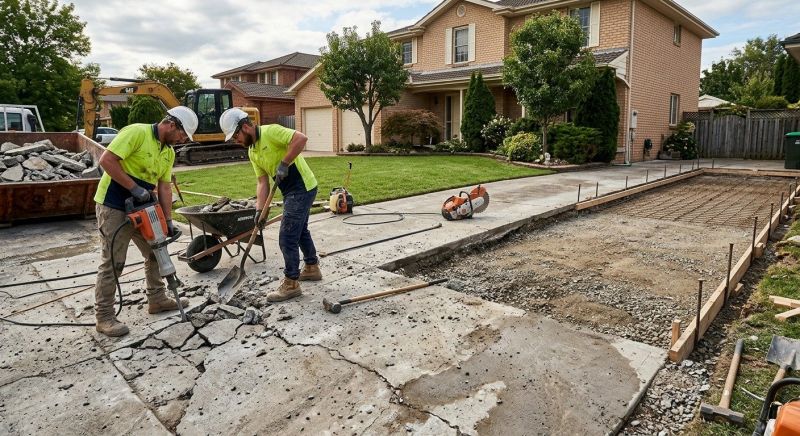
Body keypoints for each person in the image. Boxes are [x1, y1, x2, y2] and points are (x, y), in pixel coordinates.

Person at [92, 107, 198, 337]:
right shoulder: (136, 132)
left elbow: (164, 186)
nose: (182, 140)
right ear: (171, 124)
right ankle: (104, 317)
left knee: (156, 252)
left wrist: (167, 219)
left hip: (143, 207)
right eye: (182, 135)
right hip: (114, 206)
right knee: (113, 262)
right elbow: (107, 160)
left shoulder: (168, 152)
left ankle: (157, 298)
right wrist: (134, 187)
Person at [220, 107, 322, 302]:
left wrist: (284, 163)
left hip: (303, 187)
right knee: (300, 231)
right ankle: (311, 267)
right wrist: (260, 210)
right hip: (290, 190)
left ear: (246, 126)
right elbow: (262, 183)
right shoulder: (252, 151)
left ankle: (291, 283)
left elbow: (300, 138)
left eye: (236, 135)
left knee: (287, 236)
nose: (236, 140)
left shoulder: (271, 131)